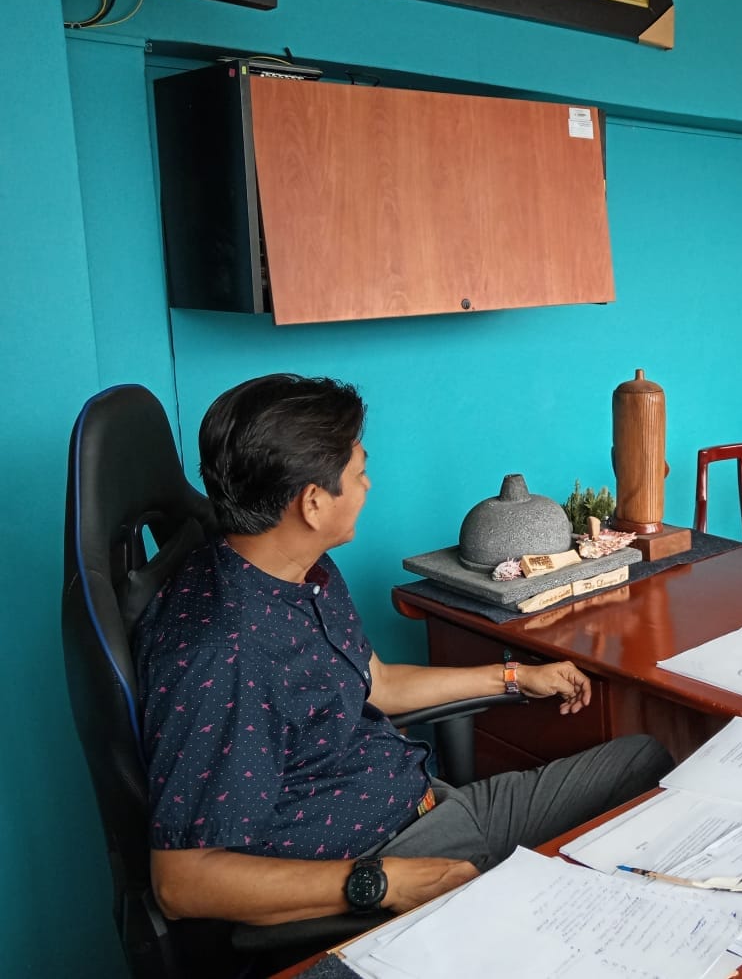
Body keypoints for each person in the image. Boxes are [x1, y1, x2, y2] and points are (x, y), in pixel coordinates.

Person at [133, 374, 673, 930]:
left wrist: (515, 676)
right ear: (312, 503)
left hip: (425, 804)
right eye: (358, 473)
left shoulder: (296, 570)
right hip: (382, 859)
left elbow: (379, 684)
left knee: (644, 760)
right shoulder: (224, 653)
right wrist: (384, 882)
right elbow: (182, 884)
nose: (367, 485)